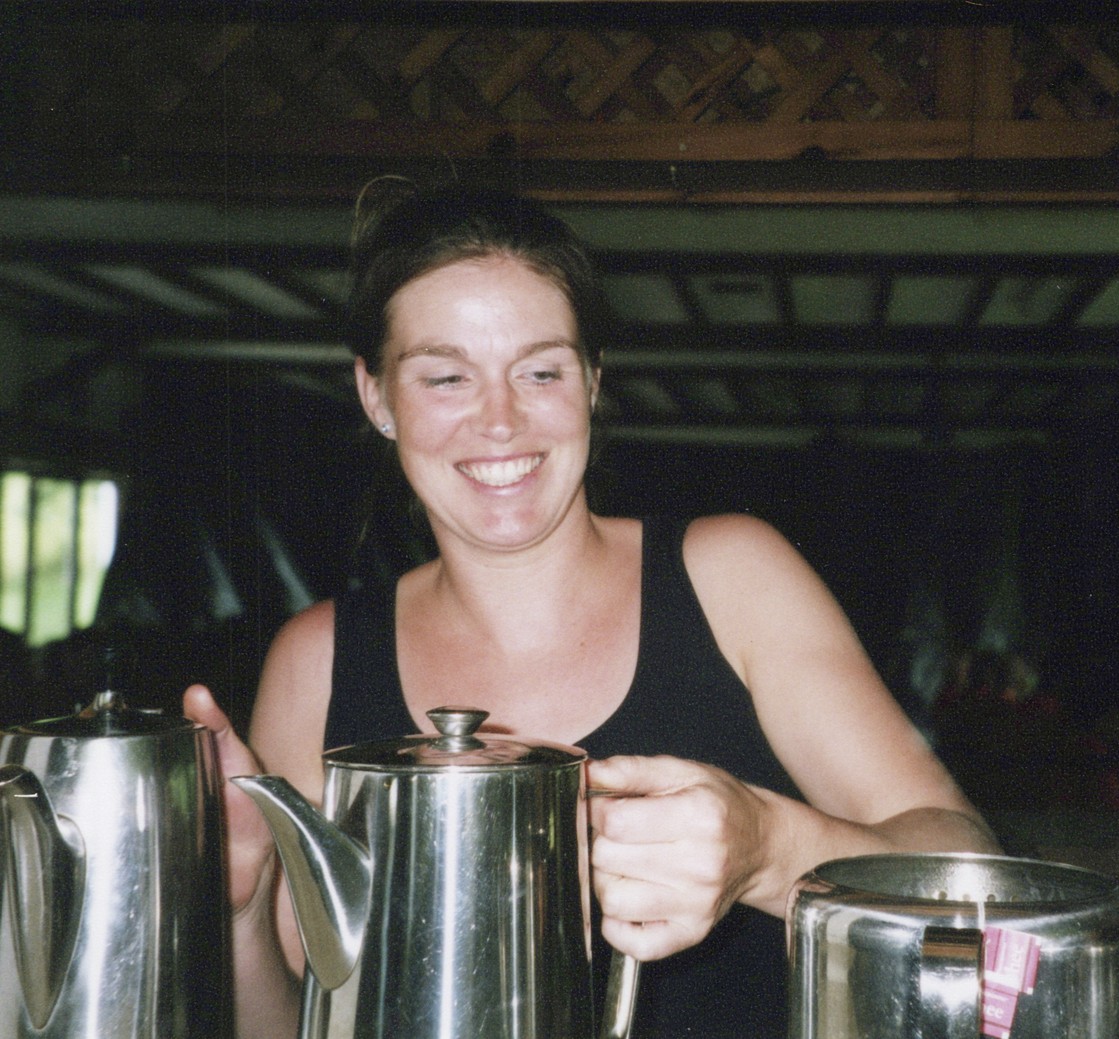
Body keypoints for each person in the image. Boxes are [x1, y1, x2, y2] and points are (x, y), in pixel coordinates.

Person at [183, 181, 997, 1039]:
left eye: (540, 370)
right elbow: (292, 1023)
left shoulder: (731, 577)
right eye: (447, 376)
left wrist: (769, 849)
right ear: (377, 396)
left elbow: (974, 869)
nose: (501, 420)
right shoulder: (315, 659)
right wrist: (239, 907)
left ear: (593, 381)